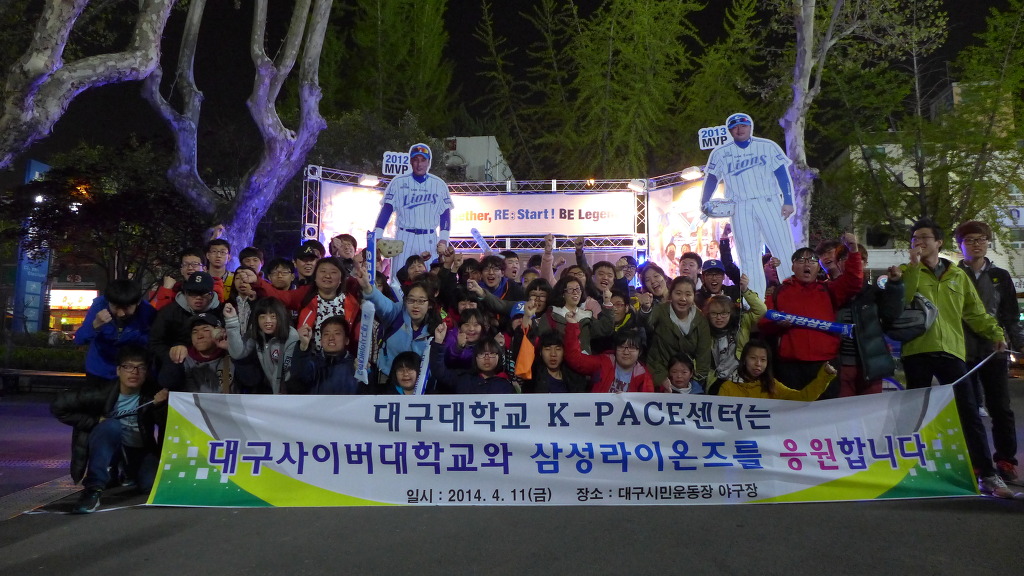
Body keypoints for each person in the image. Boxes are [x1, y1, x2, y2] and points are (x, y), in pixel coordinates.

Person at [901, 218, 1015, 498]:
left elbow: (975, 312)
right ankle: (909, 471)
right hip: (916, 351)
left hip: (951, 351)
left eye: (925, 237)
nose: (919, 242)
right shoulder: (905, 271)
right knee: (915, 414)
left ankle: (987, 474)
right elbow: (902, 302)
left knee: (969, 412)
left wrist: (995, 333)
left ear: (939, 243)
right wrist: (913, 268)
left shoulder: (957, 275)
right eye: (915, 238)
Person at [52, 345, 167, 514]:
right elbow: (58, 406)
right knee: (111, 426)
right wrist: (94, 421)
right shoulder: (101, 392)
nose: (134, 372)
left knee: (150, 485)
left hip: (137, 447)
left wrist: (159, 405)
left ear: (146, 372)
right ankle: (93, 490)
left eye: (140, 367)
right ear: (118, 370)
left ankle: (126, 471)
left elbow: (165, 423)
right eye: (128, 366)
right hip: (109, 444)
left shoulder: (152, 394)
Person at [955, 221, 1024, 485]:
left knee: (1001, 408)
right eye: (970, 240)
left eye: (982, 239)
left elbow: (1010, 314)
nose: (977, 244)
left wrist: (1018, 342)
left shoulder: (1000, 276)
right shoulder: (952, 275)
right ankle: (977, 463)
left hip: (994, 350)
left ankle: (1005, 461)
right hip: (961, 351)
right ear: (960, 245)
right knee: (968, 410)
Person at [701, 112, 796, 299]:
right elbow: (711, 178)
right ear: (730, 130)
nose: (739, 129)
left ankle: (793, 295)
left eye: (743, 125)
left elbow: (782, 173)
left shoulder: (767, 146)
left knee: (783, 249)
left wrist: (788, 200)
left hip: (768, 200)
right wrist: (704, 200)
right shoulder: (721, 153)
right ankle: (754, 302)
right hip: (740, 205)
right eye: (735, 127)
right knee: (748, 256)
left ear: (750, 127)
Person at [757, 235, 862, 396]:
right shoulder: (779, 292)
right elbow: (764, 323)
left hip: (826, 365)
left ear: (818, 267)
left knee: (826, 408)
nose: (806, 264)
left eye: (812, 261)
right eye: (801, 260)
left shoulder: (829, 290)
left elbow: (854, 282)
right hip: (790, 366)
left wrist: (853, 250)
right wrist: (777, 324)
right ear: (792, 267)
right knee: (792, 409)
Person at [374, 143, 455, 271]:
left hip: (429, 237)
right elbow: (387, 209)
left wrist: (444, 239)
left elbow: (445, 213)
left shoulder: (439, 184)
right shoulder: (398, 182)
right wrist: (377, 235)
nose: (419, 164)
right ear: (411, 161)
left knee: (429, 277)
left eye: (423, 160)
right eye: (416, 160)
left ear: (428, 162)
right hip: (404, 237)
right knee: (399, 277)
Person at [75, 280, 157, 386]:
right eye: (115, 307)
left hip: (132, 372)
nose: (121, 313)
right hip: (100, 371)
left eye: (126, 308)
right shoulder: (99, 306)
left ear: (138, 303)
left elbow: (154, 343)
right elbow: (79, 339)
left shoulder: (147, 312)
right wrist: (94, 325)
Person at [645, 276, 713, 391]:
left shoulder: (700, 319)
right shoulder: (660, 311)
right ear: (671, 294)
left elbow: (704, 356)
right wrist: (661, 379)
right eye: (678, 293)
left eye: (688, 294)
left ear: (694, 296)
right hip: (661, 378)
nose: (683, 298)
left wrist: (694, 382)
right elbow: (646, 324)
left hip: (689, 381)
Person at [563, 309, 654, 393]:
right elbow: (574, 358)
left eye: (631, 348)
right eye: (621, 347)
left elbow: (646, 402)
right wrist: (572, 325)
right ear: (615, 349)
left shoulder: (644, 376)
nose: (626, 352)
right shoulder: (604, 362)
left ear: (640, 352)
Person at [148, 271, 224, 369]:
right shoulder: (170, 311)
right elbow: (154, 342)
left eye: (203, 293)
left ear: (211, 294)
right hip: (177, 363)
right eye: (193, 293)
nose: (198, 298)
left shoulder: (221, 311)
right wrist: (172, 354)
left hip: (216, 362)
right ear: (185, 293)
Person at [224, 297, 299, 394]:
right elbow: (237, 353)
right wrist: (232, 321)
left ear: (281, 317)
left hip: (289, 393)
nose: (267, 321)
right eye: (262, 317)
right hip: (271, 391)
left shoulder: (291, 336)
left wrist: (277, 399)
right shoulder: (257, 333)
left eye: (273, 316)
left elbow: (285, 374)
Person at [717, 340, 836, 401]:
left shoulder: (772, 386)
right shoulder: (728, 387)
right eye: (753, 358)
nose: (758, 364)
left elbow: (803, 397)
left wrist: (825, 376)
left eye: (763, 360)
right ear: (744, 360)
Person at [703, 278, 765, 390]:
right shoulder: (705, 331)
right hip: (718, 381)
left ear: (730, 313)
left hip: (741, 379)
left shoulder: (742, 323)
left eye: (724, 313)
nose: (719, 318)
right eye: (714, 313)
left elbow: (761, 311)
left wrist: (745, 290)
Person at [429, 323, 514, 394]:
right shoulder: (463, 379)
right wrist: (438, 341)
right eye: (481, 354)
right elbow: (439, 372)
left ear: (499, 357)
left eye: (491, 353)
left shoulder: (506, 385)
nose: (486, 357)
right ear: (475, 358)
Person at [288, 316, 362, 395]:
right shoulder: (312, 363)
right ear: (321, 340)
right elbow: (296, 384)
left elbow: (366, 395)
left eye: (337, 333)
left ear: (346, 340)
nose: (331, 338)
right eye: (326, 334)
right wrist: (303, 347)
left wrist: (363, 375)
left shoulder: (356, 366)